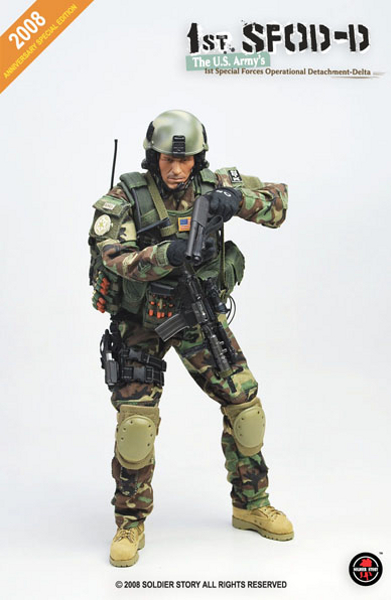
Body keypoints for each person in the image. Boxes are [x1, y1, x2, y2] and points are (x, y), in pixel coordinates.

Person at [88, 109, 293, 568]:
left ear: (199, 158)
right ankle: (130, 521)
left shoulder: (213, 185)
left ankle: (251, 504)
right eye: (167, 159)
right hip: (142, 320)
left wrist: (236, 201)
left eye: (186, 160)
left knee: (245, 407)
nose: (177, 169)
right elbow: (114, 256)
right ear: (153, 157)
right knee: (136, 425)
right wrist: (167, 253)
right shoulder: (126, 197)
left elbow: (279, 202)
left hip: (198, 313)